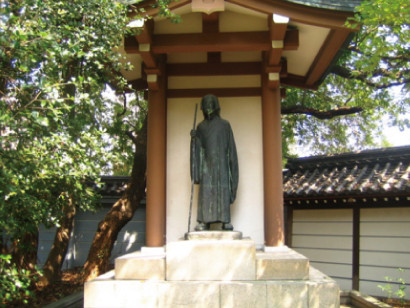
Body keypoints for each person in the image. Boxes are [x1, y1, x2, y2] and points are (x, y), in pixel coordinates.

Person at [190, 94, 239, 231]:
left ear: (216, 106)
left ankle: (225, 220)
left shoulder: (225, 125)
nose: (208, 107)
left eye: (211, 104)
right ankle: (204, 221)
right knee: (206, 190)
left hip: (222, 163)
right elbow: (199, 148)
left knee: (223, 188)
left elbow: (231, 147)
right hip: (206, 164)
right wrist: (194, 140)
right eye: (205, 105)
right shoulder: (201, 127)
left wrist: (230, 163)